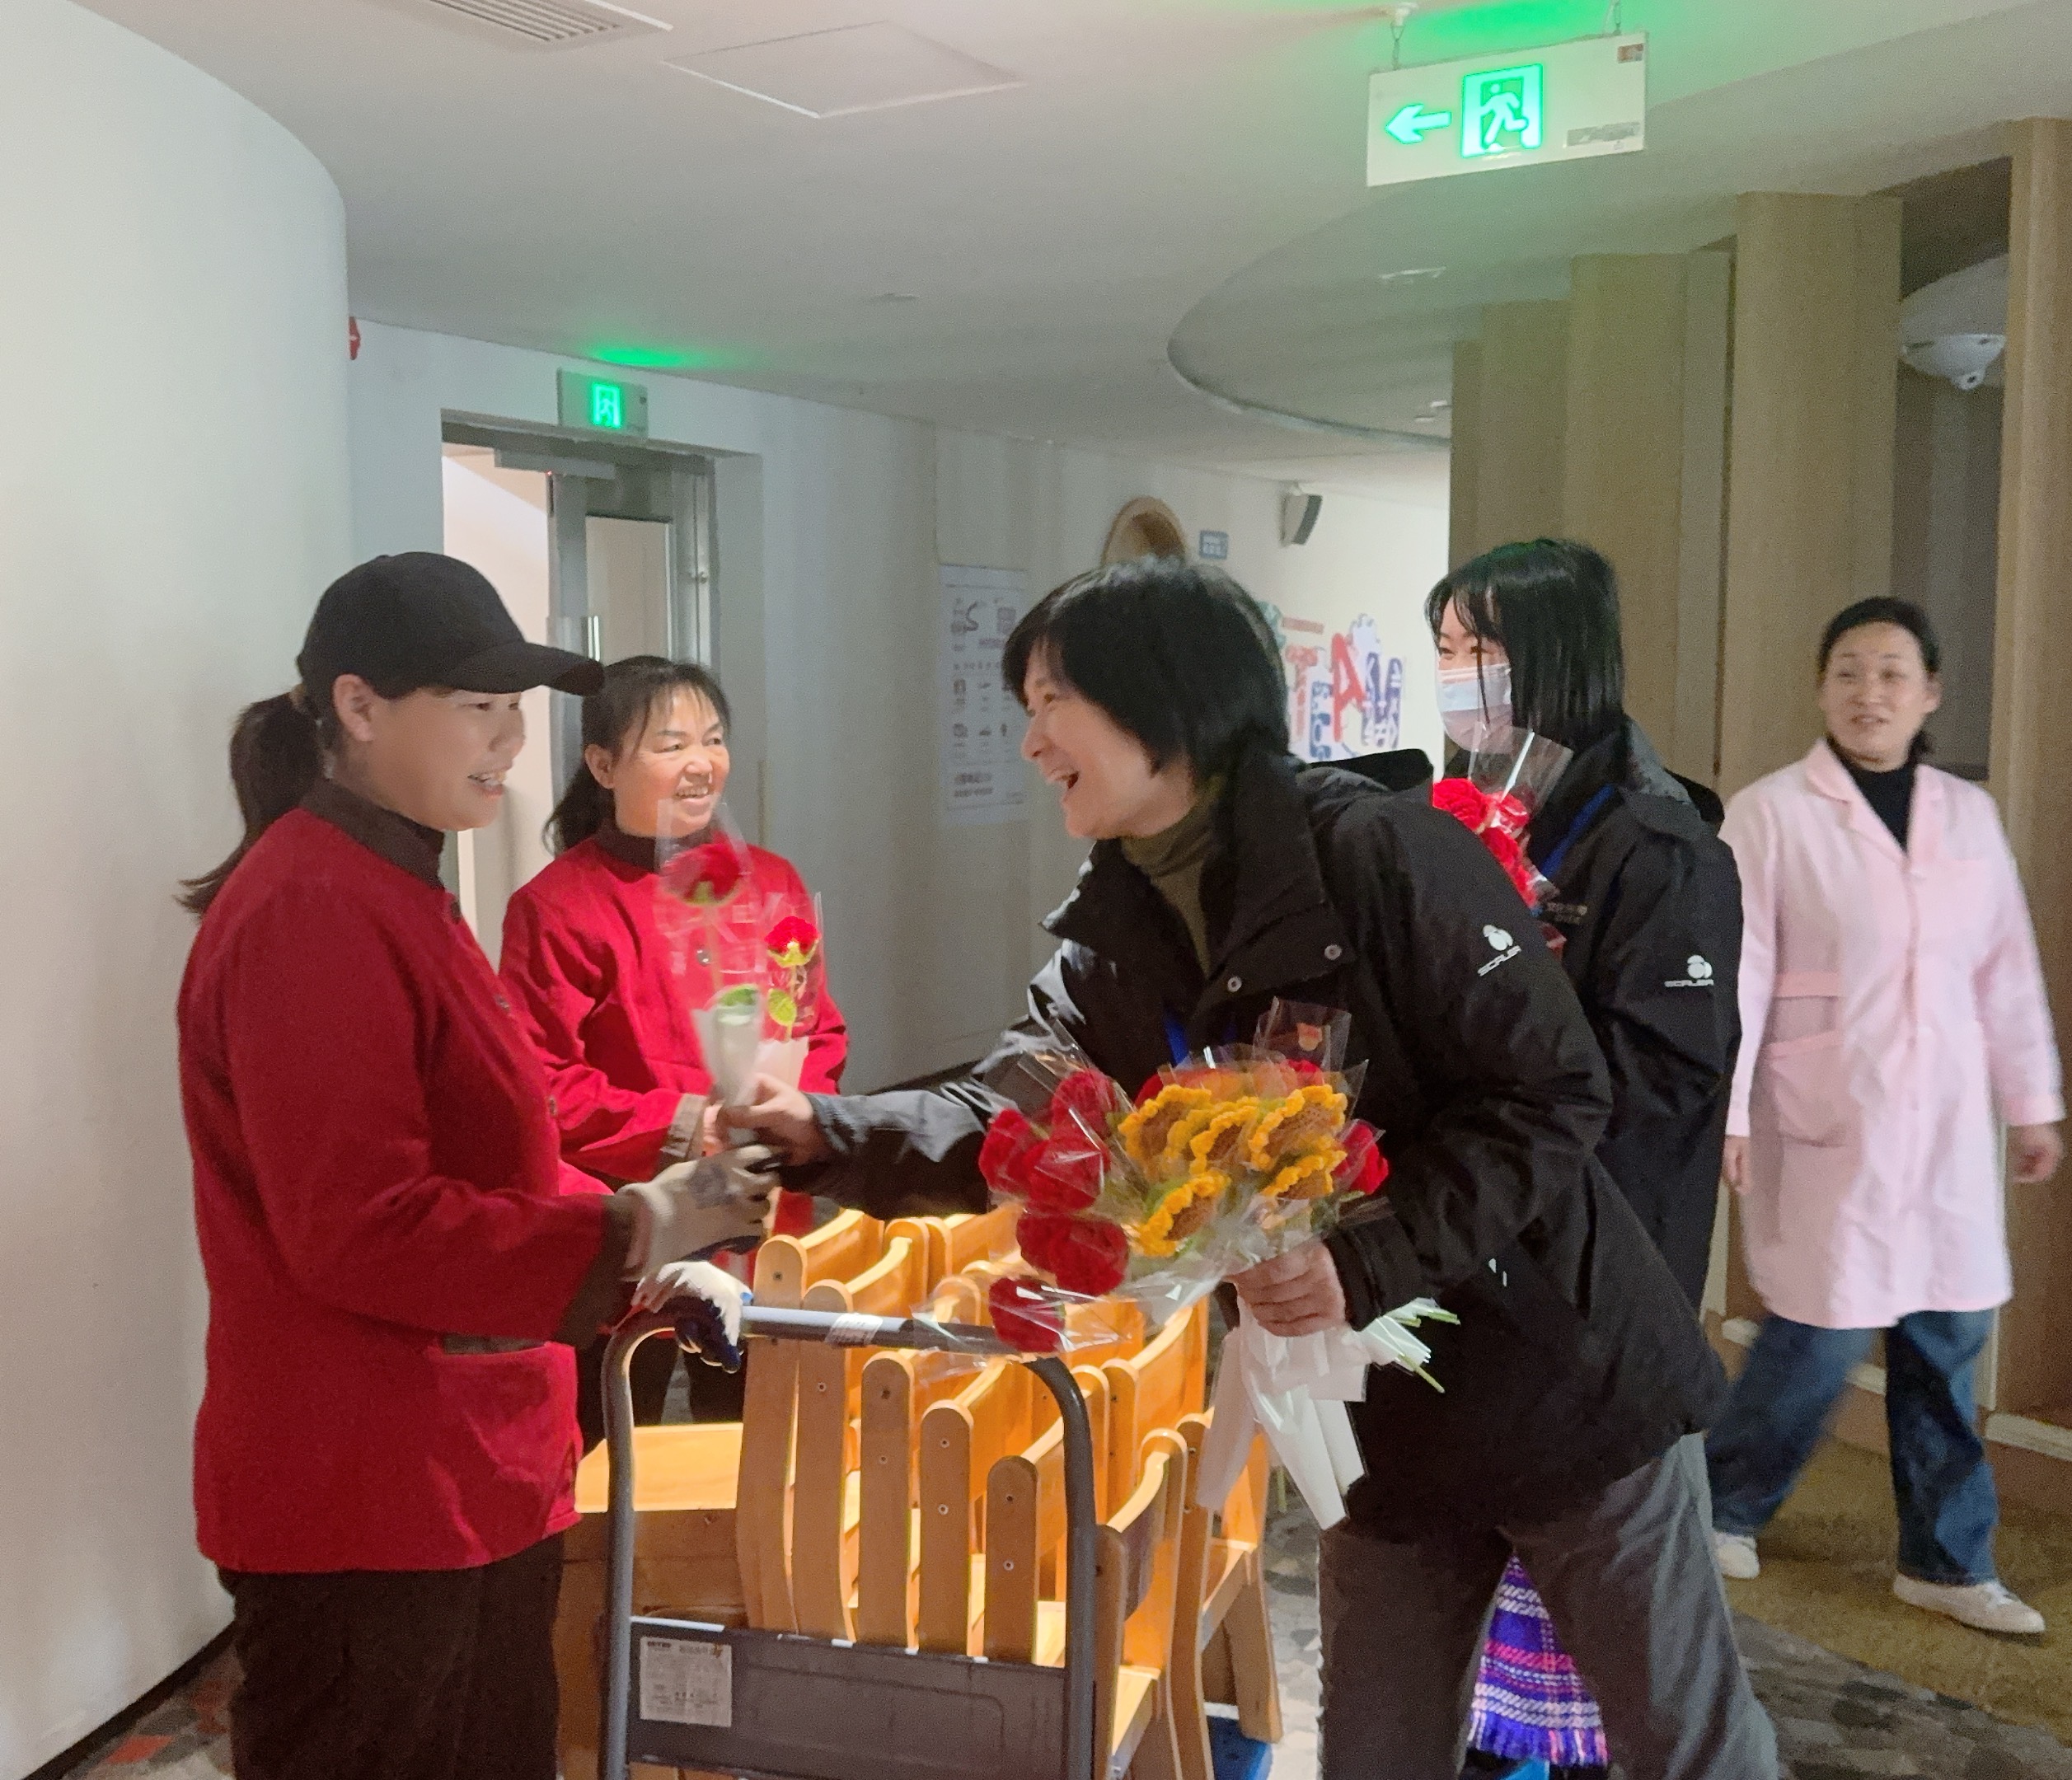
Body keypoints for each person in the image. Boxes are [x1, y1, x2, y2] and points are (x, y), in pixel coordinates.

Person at [734, 556, 1776, 1780]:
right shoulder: (1115, 929)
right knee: (1376, 1754)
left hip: (1564, 1375)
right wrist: (829, 1133)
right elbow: (1023, 1106)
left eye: (1055, 701)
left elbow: (1553, 1094)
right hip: (1373, 1420)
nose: (1032, 741)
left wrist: (1363, 1260)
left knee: (1684, 1745)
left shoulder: (1381, 853)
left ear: (1167, 704)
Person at [176, 552, 774, 1780]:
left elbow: (500, 1161)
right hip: (369, 1488)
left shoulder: (399, 881)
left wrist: (642, 1239)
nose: (509, 741)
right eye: (478, 707)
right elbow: (362, 1225)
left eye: (516, 709)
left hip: (471, 1466)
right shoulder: (313, 908)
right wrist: (634, 1230)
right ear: (358, 706)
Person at [1432, 540, 1746, 1779]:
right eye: (1446, 650)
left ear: (1555, 660)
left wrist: (1511, 1060)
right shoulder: (1473, 815)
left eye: (1479, 650)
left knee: (1624, 1651)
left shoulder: (1658, 848)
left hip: (1601, 1285)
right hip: (1490, 1270)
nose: (1458, 675)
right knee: (1487, 1631)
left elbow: (1662, 1076)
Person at [1706, 596, 2064, 1637]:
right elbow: (1739, 969)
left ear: (1931, 693)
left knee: (1948, 1338)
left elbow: (2005, 968)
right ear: (1822, 690)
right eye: (1850, 672)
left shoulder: (1969, 817)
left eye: (1893, 673)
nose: (1871, 693)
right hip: (1828, 1111)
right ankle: (1723, 1505)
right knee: (1817, 1338)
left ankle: (1947, 1561)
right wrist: (1728, 1109)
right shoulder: (1771, 813)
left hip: (1944, 1124)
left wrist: (2032, 1103)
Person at [502, 655, 847, 1431]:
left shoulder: (774, 884)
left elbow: (816, 1028)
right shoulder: (557, 907)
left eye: (713, 739)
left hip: (764, 1210)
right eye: (671, 744)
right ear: (603, 766)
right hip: (633, 1221)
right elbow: (543, 1085)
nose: (701, 763)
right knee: (612, 1438)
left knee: (756, 1438)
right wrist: (695, 1126)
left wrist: (797, 1116)